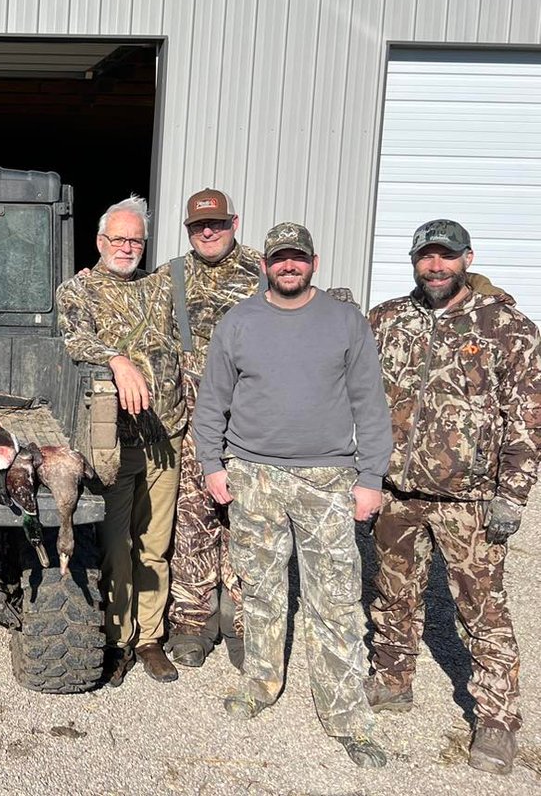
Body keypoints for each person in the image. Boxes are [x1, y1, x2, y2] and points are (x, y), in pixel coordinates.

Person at [194, 222, 392, 768]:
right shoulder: (240, 322)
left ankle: (346, 716)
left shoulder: (345, 321)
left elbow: (370, 405)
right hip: (253, 475)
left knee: (335, 599)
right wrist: (213, 463)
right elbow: (212, 402)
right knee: (260, 590)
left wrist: (370, 478)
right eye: (280, 258)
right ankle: (260, 685)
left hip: (326, 479)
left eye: (298, 259)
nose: (289, 266)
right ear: (265, 264)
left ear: (314, 262)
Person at [366, 220, 541, 776]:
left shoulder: (506, 326)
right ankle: (393, 678)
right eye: (426, 257)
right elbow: (356, 394)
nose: (435, 267)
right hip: (398, 490)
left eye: (446, 257)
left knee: (483, 610)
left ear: (468, 258)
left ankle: (495, 719)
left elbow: (529, 418)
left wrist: (512, 492)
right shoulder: (387, 320)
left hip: (470, 500)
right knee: (393, 592)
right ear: (414, 260)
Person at [57, 196, 184, 686]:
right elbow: (73, 338)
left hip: (165, 435)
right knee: (115, 545)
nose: (127, 247)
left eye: (135, 240)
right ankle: (117, 639)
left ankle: (150, 638)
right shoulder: (79, 291)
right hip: (114, 442)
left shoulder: (160, 290)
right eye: (118, 239)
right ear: (99, 241)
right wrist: (118, 359)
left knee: (155, 545)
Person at [155, 187, 262, 669]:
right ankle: (193, 622)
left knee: (246, 523)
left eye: (217, 223)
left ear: (234, 223)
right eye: (200, 226)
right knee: (192, 520)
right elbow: (129, 317)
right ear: (189, 232)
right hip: (195, 424)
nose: (209, 232)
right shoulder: (170, 277)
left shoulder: (266, 272)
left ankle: (241, 622)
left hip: (252, 424)